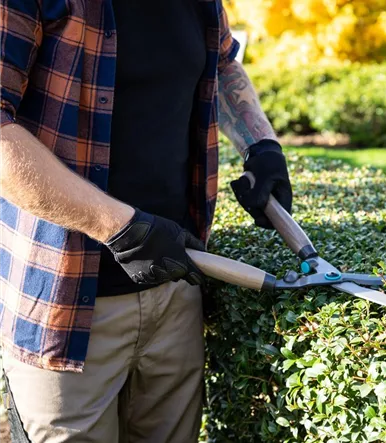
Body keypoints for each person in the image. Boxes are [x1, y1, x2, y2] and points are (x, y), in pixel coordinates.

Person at [0, 0, 292, 441]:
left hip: (177, 293)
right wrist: (118, 225)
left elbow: (223, 60)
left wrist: (260, 144)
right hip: (63, 308)